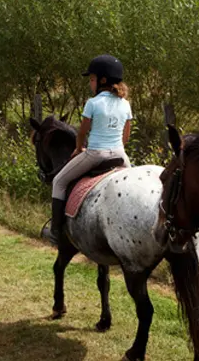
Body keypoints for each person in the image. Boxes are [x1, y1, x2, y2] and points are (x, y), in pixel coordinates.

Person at [42, 54, 133, 246]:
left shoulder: (93, 103)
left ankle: (56, 231)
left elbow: (82, 133)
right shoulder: (125, 104)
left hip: (95, 154)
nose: (90, 83)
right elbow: (126, 136)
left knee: (58, 181)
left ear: (103, 80)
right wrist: (117, 147)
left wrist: (79, 148)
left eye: (91, 79)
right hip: (119, 154)